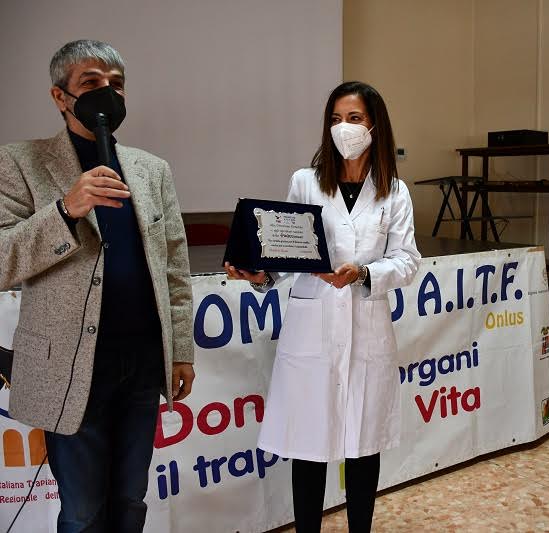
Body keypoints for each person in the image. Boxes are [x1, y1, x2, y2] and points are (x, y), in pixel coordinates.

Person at [0, 40, 195, 531]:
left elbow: (173, 268)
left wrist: (180, 350)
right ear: (59, 96)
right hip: (70, 364)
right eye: (91, 82)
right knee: (83, 512)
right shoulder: (19, 162)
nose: (107, 92)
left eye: (116, 84)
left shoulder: (152, 170)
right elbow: (2, 258)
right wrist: (66, 210)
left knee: (130, 501)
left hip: (142, 362)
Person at [225, 81, 420, 532]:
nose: (343, 128)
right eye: (335, 119)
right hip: (312, 330)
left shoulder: (394, 191)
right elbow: (289, 252)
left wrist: (363, 273)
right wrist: (261, 275)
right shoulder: (306, 182)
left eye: (354, 119)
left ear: (374, 126)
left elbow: (407, 261)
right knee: (308, 445)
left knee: (363, 446)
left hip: (366, 329)